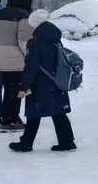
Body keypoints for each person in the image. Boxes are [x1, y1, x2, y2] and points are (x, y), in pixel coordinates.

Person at [8, 10, 76, 153]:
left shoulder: (35, 42)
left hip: (40, 84)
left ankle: (26, 143)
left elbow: (31, 66)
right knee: (58, 113)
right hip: (56, 81)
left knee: (33, 113)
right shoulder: (56, 38)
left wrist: (23, 85)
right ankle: (67, 141)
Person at [0, 0, 34, 132]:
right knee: (16, 90)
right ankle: (11, 120)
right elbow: (24, 40)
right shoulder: (23, 15)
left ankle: (7, 118)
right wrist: (28, 56)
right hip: (16, 59)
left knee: (8, 89)